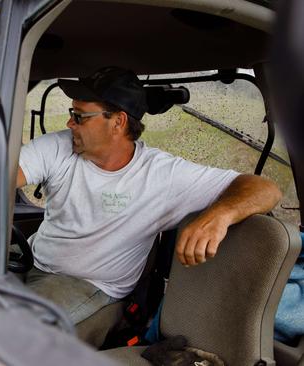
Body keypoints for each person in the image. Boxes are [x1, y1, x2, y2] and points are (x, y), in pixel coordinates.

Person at [16, 66, 282, 324]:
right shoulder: (58, 147)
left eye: (80, 116)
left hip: (86, 284)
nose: (69, 123)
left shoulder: (162, 175)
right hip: (31, 258)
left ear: (117, 122)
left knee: (5, 330)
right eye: (71, 113)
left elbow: (266, 189)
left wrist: (218, 216)